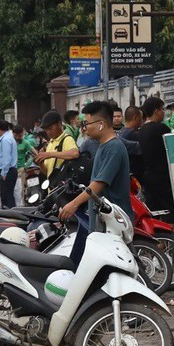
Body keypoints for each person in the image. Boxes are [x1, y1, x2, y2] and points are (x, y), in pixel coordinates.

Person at [57, 101, 131, 263]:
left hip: (111, 223)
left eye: (86, 123)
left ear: (100, 125)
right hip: (101, 220)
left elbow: (99, 184)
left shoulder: (114, 148)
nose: (84, 128)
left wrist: (73, 204)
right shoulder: (103, 146)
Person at [135, 97, 174, 215]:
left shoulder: (141, 130)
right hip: (164, 177)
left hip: (149, 178)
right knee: (170, 212)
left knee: (155, 212)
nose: (163, 112)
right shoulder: (161, 128)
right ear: (157, 111)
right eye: (162, 109)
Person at [30, 110, 78, 185]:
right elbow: (47, 172)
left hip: (63, 189)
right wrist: (40, 163)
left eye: (50, 128)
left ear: (59, 124)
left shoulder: (66, 139)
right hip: (52, 188)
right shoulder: (51, 142)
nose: (48, 132)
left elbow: (75, 153)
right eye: (46, 129)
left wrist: (49, 154)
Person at [0, 120, 19, 210]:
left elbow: (6, 158)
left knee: (6, 196)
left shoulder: (6, 140)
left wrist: (4, 173)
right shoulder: (9, 137)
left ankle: (10, 215)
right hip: (10, 170)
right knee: (8, 195)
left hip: (8, 171)